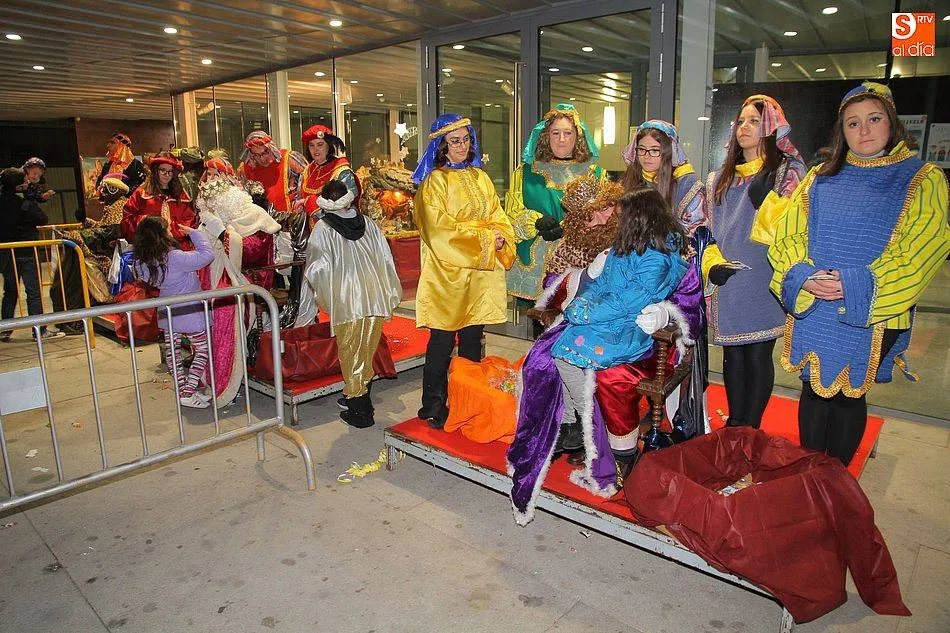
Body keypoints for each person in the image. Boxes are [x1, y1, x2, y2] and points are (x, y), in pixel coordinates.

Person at [769, 81, 950, 465]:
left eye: (873, 119)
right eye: (852, 123)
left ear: (893, 123)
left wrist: (851, 285)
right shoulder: (819, 177)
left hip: (878, 308)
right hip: (816, 301)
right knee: (815, 390)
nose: (863, 131)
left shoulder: (922, 177)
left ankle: (836, 482)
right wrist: (804, 275)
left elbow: (922, 248)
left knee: (851, 392)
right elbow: (788, 234)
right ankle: (811, 477)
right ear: (842, 130)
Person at [508, 189, 688, 525]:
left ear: (640, 217)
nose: (617, 219)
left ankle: (581, 419)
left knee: (568, 352)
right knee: (554, 352)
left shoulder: (658, 258)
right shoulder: (628, 247)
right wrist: (580, 302)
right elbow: (603, 283)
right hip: (606, 321)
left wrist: (583, 311)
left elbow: (632, 301)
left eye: (622, 214)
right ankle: (575, 418)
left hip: (628, 330)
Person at [702, 94, 805, 429]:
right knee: (733, 353)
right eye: (741, 121)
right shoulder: (719, 177)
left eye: (754, 121)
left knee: (758, 353)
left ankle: (752, 428)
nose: (744, 127)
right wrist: (711, 262)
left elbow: (796, 229)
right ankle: (735, 424)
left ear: (772, 128)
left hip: (764, 275)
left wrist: (768, 201)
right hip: (728, 277)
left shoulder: (787, 173)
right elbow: (707, 228)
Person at [412, 113, 516, 429]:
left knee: (473, 340)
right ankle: (432, 404)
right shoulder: (434, 183)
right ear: (442, 145)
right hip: (448, 275)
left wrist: (500, 236)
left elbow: (498, 215)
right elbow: (439, 232)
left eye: (465, 139)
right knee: (442, 342)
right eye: (454, 140)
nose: (461, 146)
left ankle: (467, 400)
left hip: (480, 276)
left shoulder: (482, 178)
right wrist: (486, 239)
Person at [303, 180, 402, 428]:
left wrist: (327, 298)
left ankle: (360, 410)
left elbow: (317, 270)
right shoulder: (368, 223)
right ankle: (357, 397)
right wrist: (386, 290)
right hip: (374, 294)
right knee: (367, 349)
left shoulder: (323, 230)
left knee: (350, 352)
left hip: (348, 300)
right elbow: (386, 258)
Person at [194, 175, 281, 405]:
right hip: (226, 275)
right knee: (203, 305)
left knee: (224, 311)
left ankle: (223, 380)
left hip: (250, 280)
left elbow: (253, 254)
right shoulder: (225, 217)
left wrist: (223, 233)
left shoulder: (255, 217)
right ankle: (208, 373)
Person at [505, 103, 605, 301]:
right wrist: (534, 222)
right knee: (538, 324)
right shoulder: (525, 173)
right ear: (545, 136)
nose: (561, 140)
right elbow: (510, 216)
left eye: (568, 133)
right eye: (555, 133)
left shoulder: (595, 175)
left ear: (578, 137)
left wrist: (573, 228)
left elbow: (606, 221)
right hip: (535, 265)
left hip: (579, 264)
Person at [133, 216, 215, 409]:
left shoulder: (142, 263)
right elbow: (207, 255)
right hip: (189, 311)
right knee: (203, 349)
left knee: (173, 353)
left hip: (167, 313)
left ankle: (183, 390)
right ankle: (188, 391)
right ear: (160, 235)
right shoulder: (175, 257)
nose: (170, 232)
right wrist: (195, 233)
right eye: (167, 229)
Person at [0, 167, 61, 341]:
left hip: (6, 253)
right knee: (33, 292)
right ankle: (39, 331)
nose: (28, 183)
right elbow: (42, 218)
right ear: (18, 186)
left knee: (10, 291)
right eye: (25, 181)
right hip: (26, 252)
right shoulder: (24, 204)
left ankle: (5, 329)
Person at [621, 120, 706, 235]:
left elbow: (695, 232)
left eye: (655, 150)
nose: (647, 156)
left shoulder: (686, 184)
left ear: (668, 152)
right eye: (642, 149)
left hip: (672, 250)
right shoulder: (628, 179)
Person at [121, 153, 196, 247]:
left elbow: (189, 221)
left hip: (178, 247)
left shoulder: (182, 195)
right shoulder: (141, 193)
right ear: (156, 171)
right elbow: (127, 221)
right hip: (149, 248)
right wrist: (150, 225)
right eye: (163, 170)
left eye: (170, 171)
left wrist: (171, 231)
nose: (167, 175)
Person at [296, 125, 360, 220]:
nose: (315, 149)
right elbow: (301, 197)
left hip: (336, 229)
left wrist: (310, 204)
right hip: (312, 230)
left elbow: (346, 205)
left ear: (328, 146)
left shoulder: (341, 171)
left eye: (320, 144)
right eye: (311, 145)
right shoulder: (308, 170)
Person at [236, 131, 307, 213]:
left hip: (293, 218)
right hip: (263, 221)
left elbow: (309, 181)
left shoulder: (290, 159)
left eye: (265, 153)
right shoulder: (245, 169)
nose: (262, 159)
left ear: (271, 148)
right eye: (256, 155)